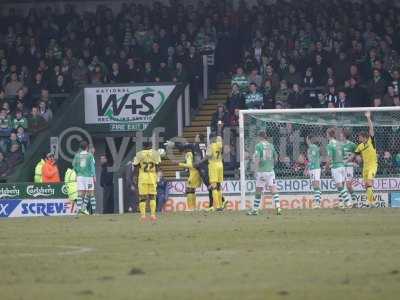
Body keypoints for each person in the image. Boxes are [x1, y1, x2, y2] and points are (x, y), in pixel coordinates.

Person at [348, 112, 378, 207]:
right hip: (365, 167)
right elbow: (354, 155)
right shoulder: (360, 146)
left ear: (364, 137)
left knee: (369, 183)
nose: (358, 138)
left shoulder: (371, 141)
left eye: (360, 137)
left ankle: (372, 202)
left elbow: (371, 128)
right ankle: (370, 202)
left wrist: (368, 117)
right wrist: (346, 161)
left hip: (373, 166)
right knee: (366, 185)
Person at [247, 131, 281, 216]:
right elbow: (276, 158)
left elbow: (257, 158)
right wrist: (270, 164)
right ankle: (278, 206)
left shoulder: (258, 146)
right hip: (270, 171)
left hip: (262, 171)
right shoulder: (271, 145)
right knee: (273, 189)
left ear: (260, 137)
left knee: (258, 190)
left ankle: (255, 209)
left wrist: (255, 170)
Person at [132, 141, 161, 221]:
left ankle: (143, 216)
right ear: (151, 146)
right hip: (152, 177)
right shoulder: (155, 154)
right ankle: (152, 215)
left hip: (143, 177)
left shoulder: (139, 154)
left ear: (143, 146)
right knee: (152, 197)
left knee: (142, 197)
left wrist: (135, 177)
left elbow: (136, 167)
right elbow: (158, 166)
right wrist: (158, 177)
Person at [325, 128, 352, 208]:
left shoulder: (329, 145)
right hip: (342, 166)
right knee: (341, 186)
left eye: (326, 134)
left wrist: (326, 167)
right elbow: (343, 155)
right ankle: (341, 203)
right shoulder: (340, 143)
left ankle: (348, 202)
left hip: (336, 167)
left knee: (339, 186)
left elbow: (329, 158)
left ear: (328, 135)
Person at [72, 141, 96, 215]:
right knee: (91, 193)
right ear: (87, 147)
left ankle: (78, 211)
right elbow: (92, 166)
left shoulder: (77, 156)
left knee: (80, 194)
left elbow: (73, 165)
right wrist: (94, 175)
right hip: (88, 177)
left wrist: (77, 172)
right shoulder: (90, 155)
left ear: (80, 148)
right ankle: (94, 212)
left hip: (80, 177)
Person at [178, 146, 202, 211]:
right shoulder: (194, 154)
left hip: (193, 174)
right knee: (192, 191)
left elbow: (189, 165)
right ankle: (194, 207)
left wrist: (180, 164)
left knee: (189, 190)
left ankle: (190, 208)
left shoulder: (188, 154)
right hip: (197, 173)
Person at [207, 132, 224, 211]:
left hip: (213, 166)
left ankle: (217, 206)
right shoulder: (219, 144)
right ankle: (221, 205)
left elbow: (209, 155)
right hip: (220, 165)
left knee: (214, 187)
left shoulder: (210, 146)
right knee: (219, 186)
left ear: (211, 138)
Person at [340, 128, 357, 204]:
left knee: (348, 185)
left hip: (349, 167)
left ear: (344, 135)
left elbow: (355, 154)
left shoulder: (352, 145)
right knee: (341, 184)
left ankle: (354, 200)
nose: (340, 135)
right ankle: (341, 202)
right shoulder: (339, 145)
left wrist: (349, 160)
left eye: (341, 134)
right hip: (341, 167)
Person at [305, 135, 322, 208]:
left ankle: (317, 203)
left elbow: (313, 160)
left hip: (315, 168)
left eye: (307, 139)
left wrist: (306, 169)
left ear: (308, 139)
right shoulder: (310, 148)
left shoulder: (314, 147)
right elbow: (310, 159)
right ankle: (318, 200)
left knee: (316, 185)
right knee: (315, 186)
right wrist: (308, 168)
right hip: (312, 168)